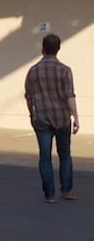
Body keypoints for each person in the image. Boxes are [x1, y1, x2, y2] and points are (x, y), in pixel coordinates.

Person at [24, 32, 81, 202]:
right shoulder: (65, 70)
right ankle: (67, 190)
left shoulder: (33, 71)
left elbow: (29, 96)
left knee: (45, 156)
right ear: (58, 49)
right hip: (62, 117)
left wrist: (32, 114)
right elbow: (69, 96)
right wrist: (76, 118)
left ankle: (49, 194)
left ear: (43, 49)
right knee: (65, 154)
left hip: (41, 118)